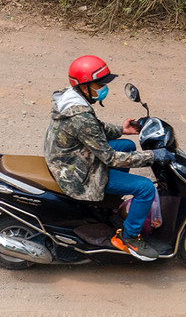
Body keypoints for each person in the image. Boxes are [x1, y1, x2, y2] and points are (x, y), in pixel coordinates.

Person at [44, 54, 174, 261]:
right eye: (99, 83)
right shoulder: (80, 115)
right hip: (74, 172)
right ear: (85, 85)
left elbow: (95, 129)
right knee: (145, 188)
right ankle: (129, 237)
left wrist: (121, 129)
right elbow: (110, 158)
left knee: (128, 145)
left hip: (70, 156)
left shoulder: (72, 99)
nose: (104, 87)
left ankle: (106, 201)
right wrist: (152, 156)